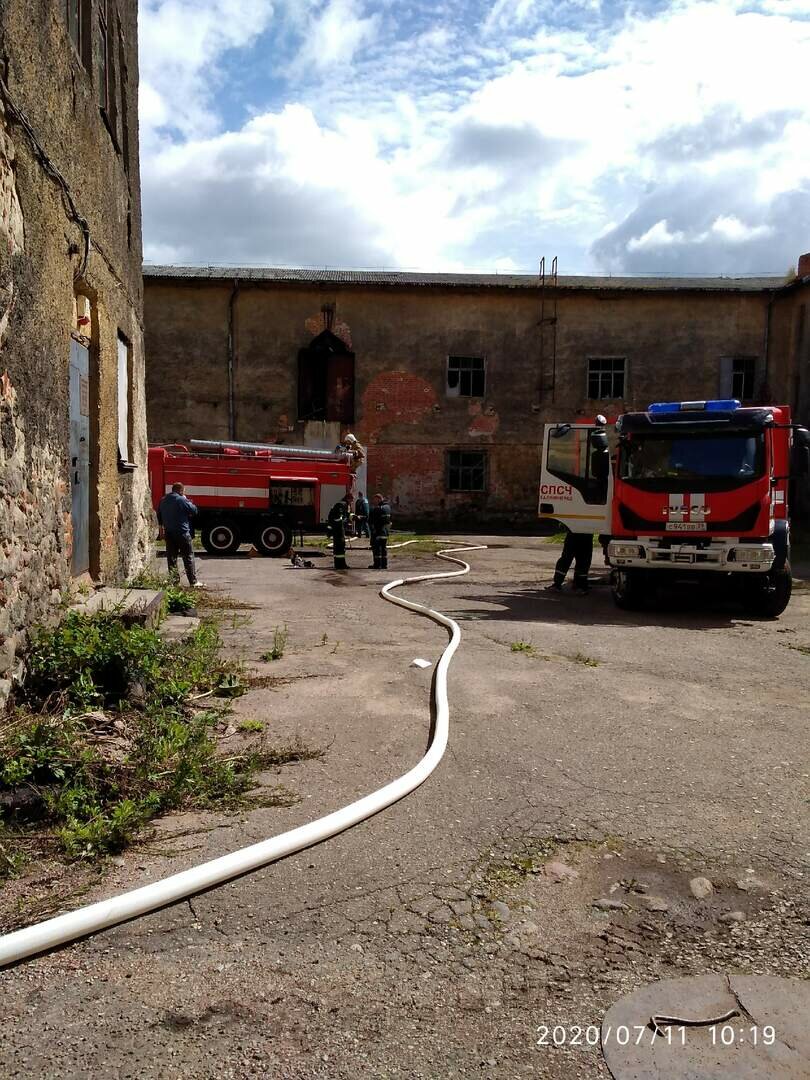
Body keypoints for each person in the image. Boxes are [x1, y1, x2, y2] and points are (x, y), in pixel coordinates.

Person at [157, 482, 203, 587]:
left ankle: (174, 581)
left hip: (169, 533)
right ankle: (193, 581)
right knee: (188, 557)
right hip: (182, 533)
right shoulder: (181, 499)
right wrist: (186, 499)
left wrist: (161, 528)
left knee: (172, 558)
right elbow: (194, 510)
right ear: (181, 490)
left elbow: (159, 515)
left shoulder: (163, 500)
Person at [546, 528, 593, 595]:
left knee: (577, 560)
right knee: (579, 560)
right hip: (581, 533)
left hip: (579, 533)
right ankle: (578, 585)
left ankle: (578, 585)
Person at [368, 492, 392, 570]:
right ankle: (384, 565)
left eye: (375, 500)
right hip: (385, 532)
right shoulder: (387, 507)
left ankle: (377, 564)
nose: (374, 502)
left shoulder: (378, 509)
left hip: (378, 532)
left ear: (379, 499)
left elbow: (372, 520)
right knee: (384, 549)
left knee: (377, 549)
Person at [327, 496, 351, 570]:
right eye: (351, 500)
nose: (351, 502)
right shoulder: (342, 505)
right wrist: (346, 521)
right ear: (348, 499)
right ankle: (341, 564)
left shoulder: (340, 504)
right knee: (340, 548)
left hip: (337, 530)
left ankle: (338, 564)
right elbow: (340, 519)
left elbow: (345, 515)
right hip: (339, 531)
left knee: (338, 548)